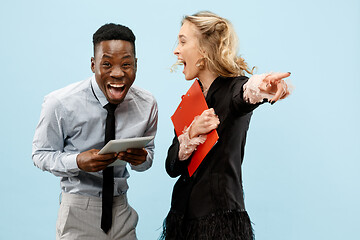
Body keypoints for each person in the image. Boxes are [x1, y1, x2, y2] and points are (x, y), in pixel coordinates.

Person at [161, 11, 291, 240]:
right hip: (181, 222)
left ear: (204, 49)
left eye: (183, 41)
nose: (176, 50)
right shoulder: (190, 100)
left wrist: (264, 86)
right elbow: (172, 167)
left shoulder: (234, 89)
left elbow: (245, 94)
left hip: (220, 225)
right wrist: (191, 133)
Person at [32, 23, 158, 240]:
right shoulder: (60, 103)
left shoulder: (147, 104)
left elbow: (149, 157)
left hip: (122, 210)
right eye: (107, 64)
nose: (118, 73)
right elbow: (40, 154)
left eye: (126, 64)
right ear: (93, 64)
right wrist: (77, 161)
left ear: (136, 65)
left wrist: (142, 159)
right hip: (78, 211)